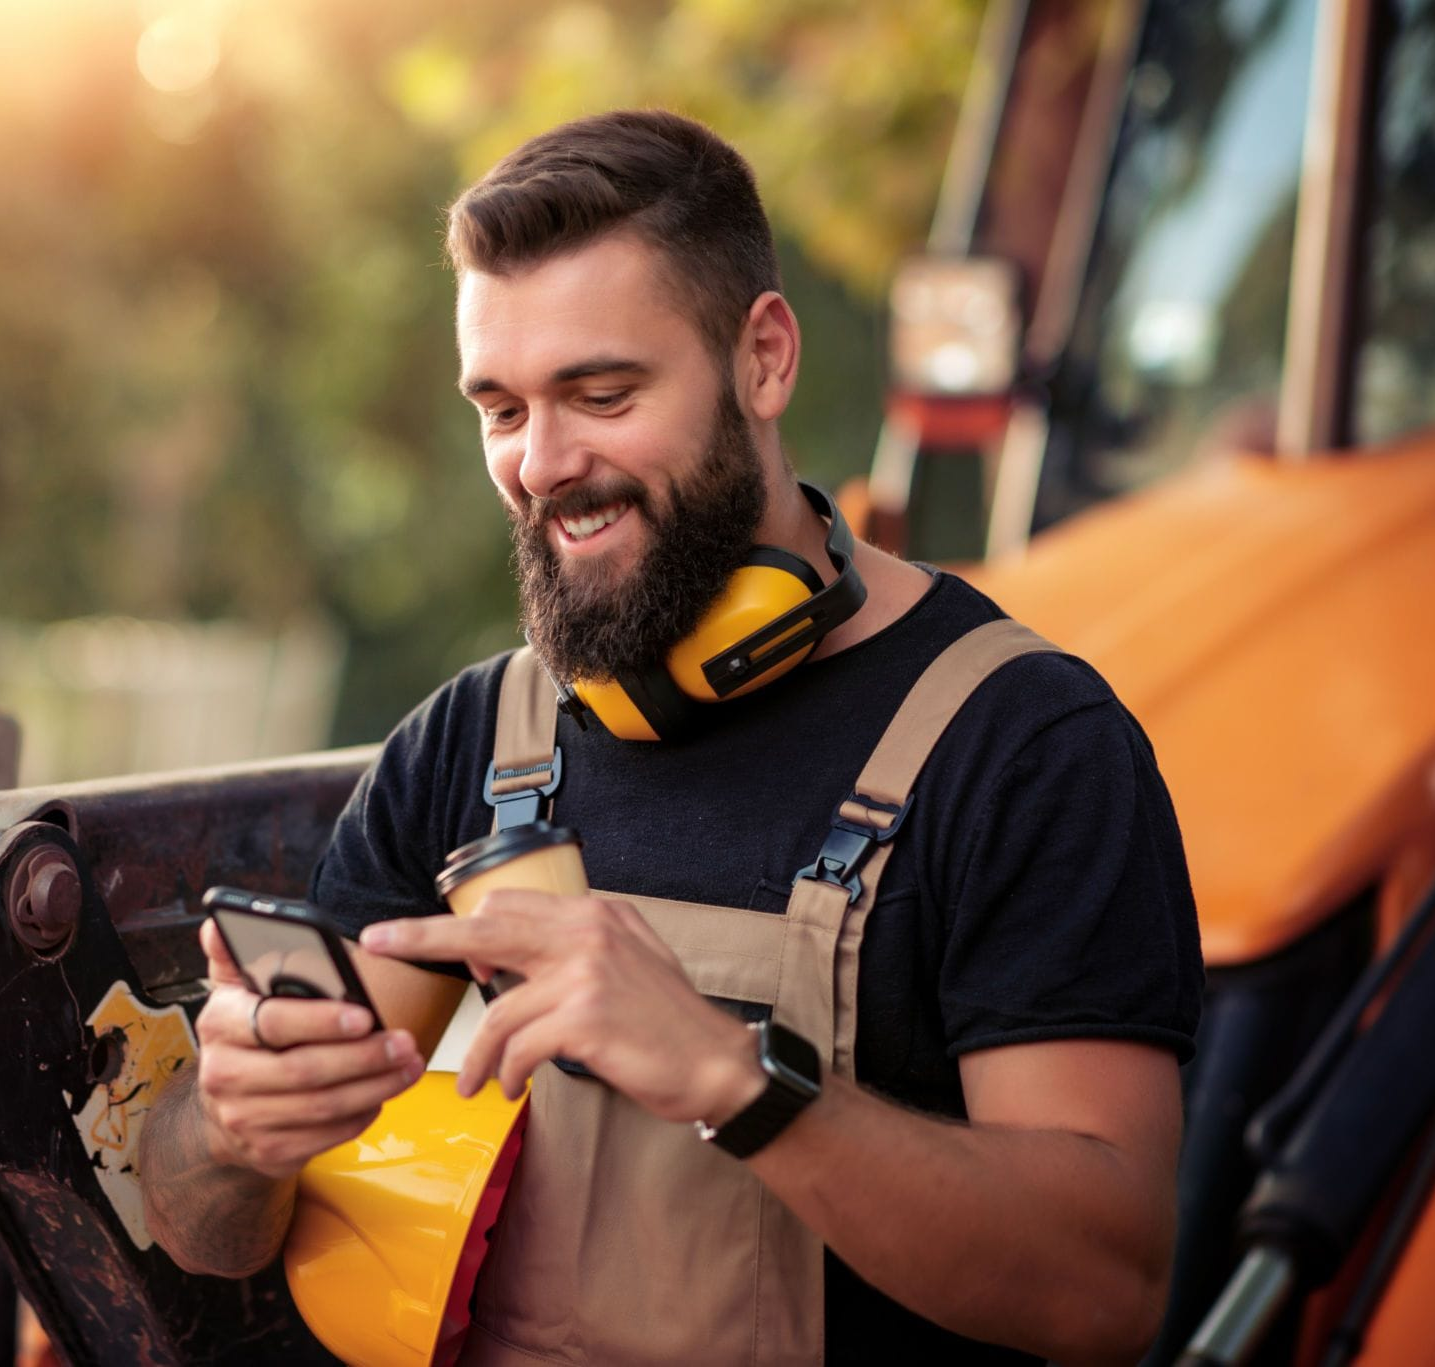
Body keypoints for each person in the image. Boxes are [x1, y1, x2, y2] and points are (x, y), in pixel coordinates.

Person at [140, 109, 1202, 1366]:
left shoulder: (1023, 747)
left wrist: (730, 1073)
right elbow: (207, 1226)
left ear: (761, 359)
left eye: (600, 394)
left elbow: (1102, 1290)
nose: (540, 463)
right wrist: (228, 1126)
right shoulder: (472, 742)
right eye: (500, 409)